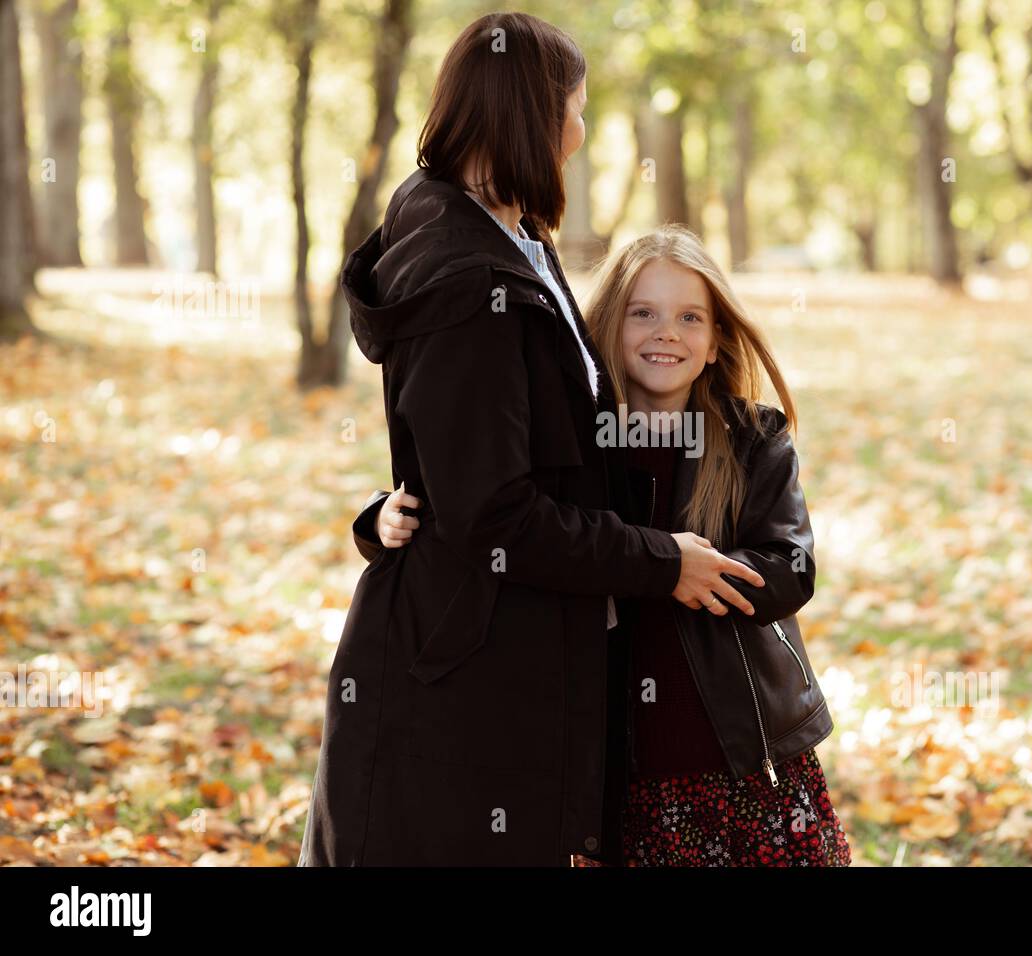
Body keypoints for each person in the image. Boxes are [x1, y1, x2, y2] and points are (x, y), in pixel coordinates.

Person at [297, 12, 763, 867]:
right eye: (576, 110)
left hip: (511, 641)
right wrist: (664, 560)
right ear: (535, 115)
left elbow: (481, 451)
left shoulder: (506, 235)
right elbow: (495, 514)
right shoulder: (467, 279)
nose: (580, 134)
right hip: (464, 668)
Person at [363, 224, 852, 867]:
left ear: (714, 343)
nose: (666, 333)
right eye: (642, 313)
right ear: (606, 328)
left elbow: (791, 568)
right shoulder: (575, 449)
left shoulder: (752, 438)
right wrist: (380, 518)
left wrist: (701, 571)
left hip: (737, 757)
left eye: (689, 317)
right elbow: (495, 517)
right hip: (619, 767)